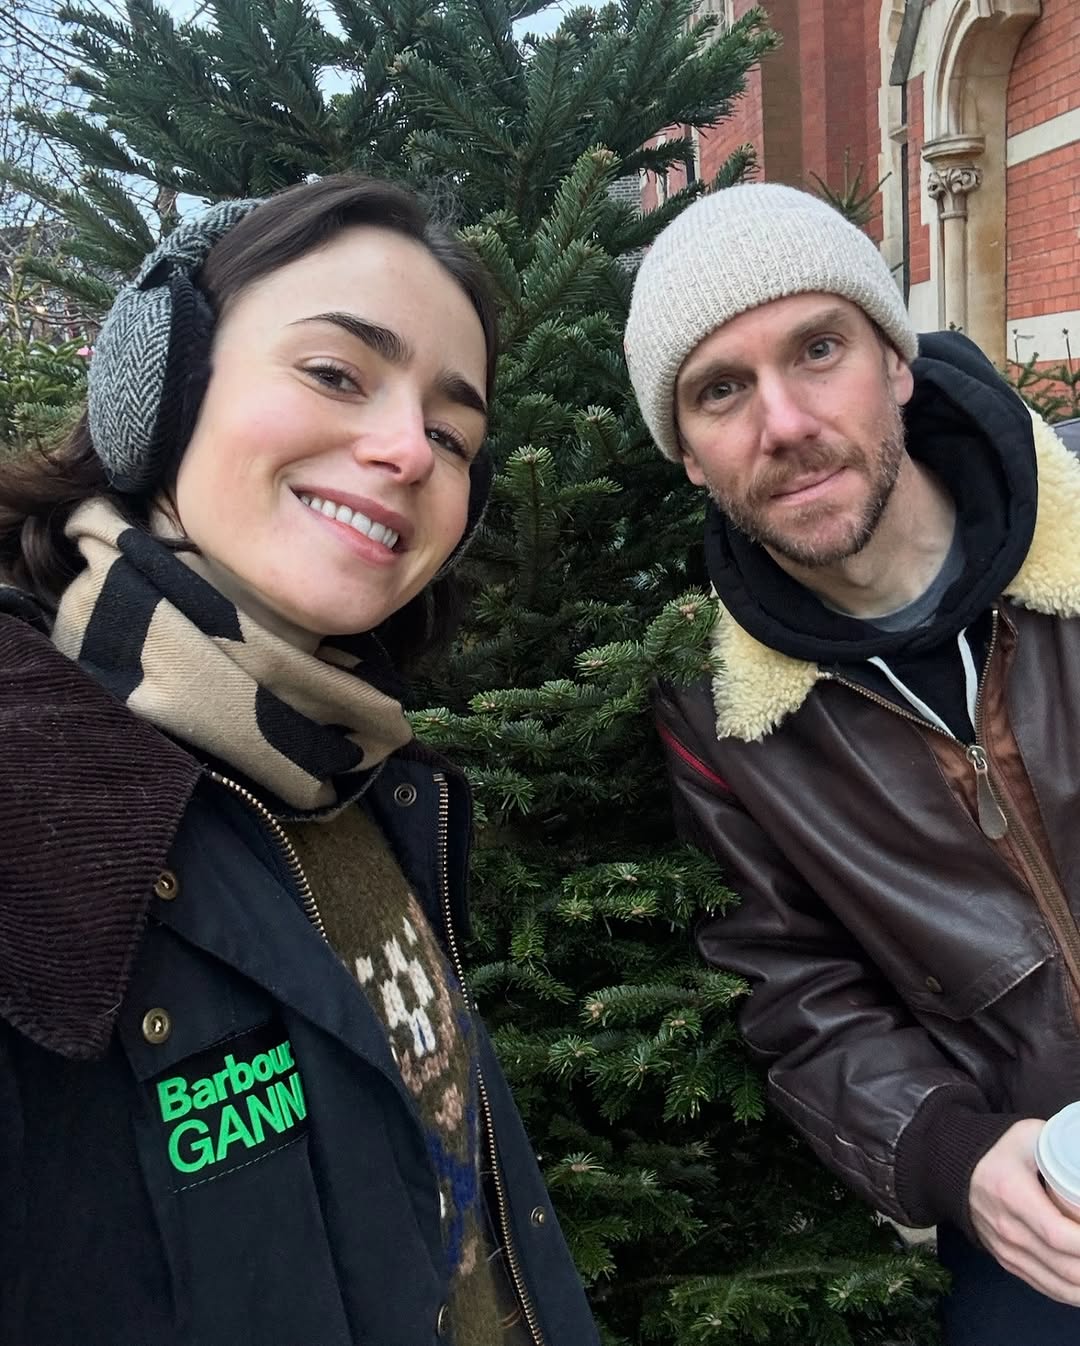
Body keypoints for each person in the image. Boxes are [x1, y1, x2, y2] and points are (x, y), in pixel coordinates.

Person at [0, 174, 599, 1346]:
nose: (407, 450)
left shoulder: (358, 778)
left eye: (452, 433)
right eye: (335, 371)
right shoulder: (28, 782)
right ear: (157, 385)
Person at [623, 182, 1080, 1345]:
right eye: (720, 389)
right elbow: (793, 985)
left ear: (897, 363)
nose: (782, 422)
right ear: (688, 456)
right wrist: (952, 1154)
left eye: (818, 349)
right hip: (1039, 1178)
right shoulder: (716, 709)